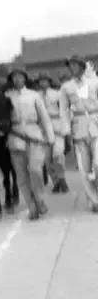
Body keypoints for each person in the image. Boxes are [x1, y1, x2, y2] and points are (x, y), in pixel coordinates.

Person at [5, 66, 55, 220]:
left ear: (25, 78)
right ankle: (31, 207)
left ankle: (39, 199)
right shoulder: (7, 96)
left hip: (34, 135)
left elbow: (44, 117)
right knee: (21, 176)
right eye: (14, 76)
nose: (17, 79)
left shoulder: (34, 95)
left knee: (35, 170)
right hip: (15, 137)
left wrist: (50, 137)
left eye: (20, 76)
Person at [60, 55, 98, 210]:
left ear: (83, 67)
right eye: (70, 65)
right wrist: (66, 132)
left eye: (75, 65)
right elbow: (64, 110)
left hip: (96, 124)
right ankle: (94, 200)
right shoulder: (66, 87)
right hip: (79, 128)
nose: (72, 68)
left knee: (97, 164)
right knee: (85, 168)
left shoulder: (94, 82)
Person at [36, 72, 70, 194]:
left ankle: (62, 179)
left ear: (49, 82)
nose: (43, 83)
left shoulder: (57, 94)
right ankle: (55, 182)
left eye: (45, 80)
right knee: (47, 159)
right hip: (43, 130)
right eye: (40, 81)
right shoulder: (36, 96)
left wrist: (65, 128)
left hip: (57, 128)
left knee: (58, 154)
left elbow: (64, 111)